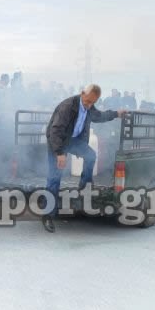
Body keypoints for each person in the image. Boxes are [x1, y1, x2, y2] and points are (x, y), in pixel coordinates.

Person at [42, 84, 127, 233]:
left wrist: (116, 114)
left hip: (73, 141)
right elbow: (55, 131)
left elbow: (99, 116)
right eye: (87, 101)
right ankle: (48, 215)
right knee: (55, 178)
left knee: (90, 156)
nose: (89, 106)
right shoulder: (68, 107)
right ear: (82, 94)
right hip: (57, 142)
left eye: (92, 103)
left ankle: (84, 185)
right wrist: (60, 153)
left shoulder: (89, 106)